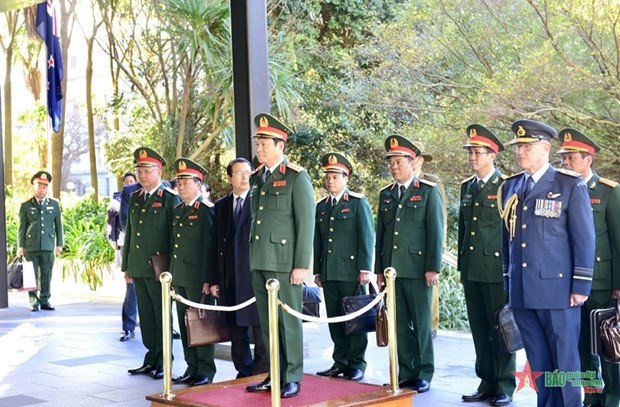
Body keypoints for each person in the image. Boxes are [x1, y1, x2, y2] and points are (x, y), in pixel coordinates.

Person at [498, 119, 595, 407]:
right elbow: (507, 239)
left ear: (545, 148)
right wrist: (508, 280)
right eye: (518, 147)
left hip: (558, 291)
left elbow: (584, 239)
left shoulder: (568, 185)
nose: (521, 152)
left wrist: (580, 285)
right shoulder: (511, 186)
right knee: (538, 363)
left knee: (565, 363)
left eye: (527, 146)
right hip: (523, 291)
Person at [245, 113, 315, 398]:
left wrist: (301, 265)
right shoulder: (257, 178)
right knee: (267, 323)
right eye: (258, 143)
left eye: (264, 143)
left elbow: (306, 223)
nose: (258, 148)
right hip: (261, 260)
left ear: (280, 145)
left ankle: (292, 375)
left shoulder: (296, 177)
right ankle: (275, 373)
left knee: (288, 322)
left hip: (285, 263)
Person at [375, 135, 444, 393]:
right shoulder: (386, 194)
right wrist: (379, 270)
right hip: (393, 271)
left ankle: (424, 372)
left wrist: (432, 268)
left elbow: (435, 233)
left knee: (422, 323)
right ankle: (405, 371)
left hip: (417, 269)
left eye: (399, 161)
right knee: (399, 324)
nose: (394, 166)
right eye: (391, 162)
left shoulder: (427, 191)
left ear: (413, 163)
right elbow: (381, 234)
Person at [557, 128, 620, 407]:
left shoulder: (608, 192)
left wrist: (619, 285)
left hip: (601, 280)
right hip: (568, 283)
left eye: (571, 158)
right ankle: (593, 397)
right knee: (580, 345)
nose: (565, 163)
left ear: (588, 160)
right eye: (563, 158)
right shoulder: (558, 190)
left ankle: (613, 396)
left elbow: (618, 241)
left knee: (608, 344)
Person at [458, 125, 515, 406]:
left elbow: (513, 232)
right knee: (480, 329)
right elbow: (463, 232)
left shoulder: (507, 186)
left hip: (497, 271)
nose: (472, 157)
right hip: (472, 270)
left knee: (501, 329)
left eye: (477, 152)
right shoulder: (467, 187)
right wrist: (461, 267)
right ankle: (486, 382)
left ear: (492, 155)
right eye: (470, 152)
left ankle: (504, 384)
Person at [313, 153, 374, 382]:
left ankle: (357, 363)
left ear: (346, 178)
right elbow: (318, 241)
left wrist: (365, 268)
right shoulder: (321, 206)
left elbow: (366, 237)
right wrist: (318, 270)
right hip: (329, 272)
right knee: (335, 318)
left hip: (351, 272)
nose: (330, 181)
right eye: (328, 176)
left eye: (335, 176)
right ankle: (340, 361)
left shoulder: (358, 203)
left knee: (355, 318)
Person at [123, 147, 181, 380]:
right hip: (139, 267)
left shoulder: (169, 198)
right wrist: (127, 265)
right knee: (146, 317)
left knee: (161, 316)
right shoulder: (136, 198)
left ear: (159, 171)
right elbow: (130, 234)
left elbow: (175, 237)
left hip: (160, 270)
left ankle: (164, 360)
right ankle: (151, 357)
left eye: (147, 170)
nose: (142, 175)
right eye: (139, 170)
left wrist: (173, 271)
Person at [210, 157, 268, 379]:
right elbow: (214, 245)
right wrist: (214, 279)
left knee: (260, 327)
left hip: (254, 275)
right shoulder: (221, 205)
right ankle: (243, 370)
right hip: (230, 277)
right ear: (229, 178)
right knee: (235, 329)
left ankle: (261, 371)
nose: (245, 177)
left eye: (248, 172)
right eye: (239, 173)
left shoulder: (260, 200)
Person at [169, 158, 217, 387]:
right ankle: (192, 367)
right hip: (180, 277)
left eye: (186, 182)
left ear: (199, 185)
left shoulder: (206, 210)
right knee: (184, 323)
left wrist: (208, 279)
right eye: (179, 182)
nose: (181, 186)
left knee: (201, 323)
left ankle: (206, 369)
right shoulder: (179, 210)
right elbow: (175, 246)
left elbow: (210, 247)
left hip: (198, 278)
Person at [412, 141, 446, 339]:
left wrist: (438, 248)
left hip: (427, 246)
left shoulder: (432, 182)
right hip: (409, 249)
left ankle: (431, 326)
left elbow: (439, 218)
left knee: (429, 289)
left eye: (415, 157)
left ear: (421, 160)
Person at [17, 171, 64, 312]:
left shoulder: (54, 205)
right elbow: (21, 228)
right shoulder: (25, 206)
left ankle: (45, 300)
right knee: (31, 275)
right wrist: (20, 246)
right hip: (30, 246)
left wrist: (59, 244)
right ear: (34, 187)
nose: (41, 189)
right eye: (39, 186)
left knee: (46, 274)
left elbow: (59, 226)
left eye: (44, 187)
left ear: (47, 188)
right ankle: (33, 301)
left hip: (48, 245)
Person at [115, 172, 138, 342]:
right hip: (131, 247)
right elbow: (123, 223)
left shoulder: (165, 192)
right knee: (132, 289)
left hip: (158, 257)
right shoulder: (126, 194)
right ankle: (128, 327)